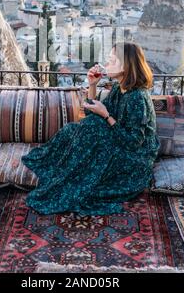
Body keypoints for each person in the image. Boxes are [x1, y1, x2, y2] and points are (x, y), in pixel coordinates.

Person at [21, 41, 160, 216]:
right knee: (74, 129)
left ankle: (71, 177)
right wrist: (92, 85)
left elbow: (133, 142)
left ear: (126, 66)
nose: (107, 64)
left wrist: (107, 116)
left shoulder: (137, 97)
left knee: (92, 127)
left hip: (134, 160)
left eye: (111, 60)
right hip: (120, 143)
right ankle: (66, 171)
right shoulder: (119, 88)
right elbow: (91, 113)